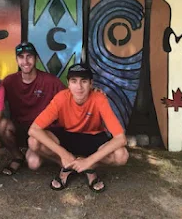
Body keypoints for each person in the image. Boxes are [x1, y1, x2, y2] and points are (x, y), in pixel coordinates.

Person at [27, 63, 129, 193]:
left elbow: (121, 139)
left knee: (122, 155)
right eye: (74, 81)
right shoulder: (61, 98)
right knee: (33, 141)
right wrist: (63, 154)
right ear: (68, 84)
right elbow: (33, 129)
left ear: (91, 84)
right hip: (68, 136)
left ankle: (89, 167)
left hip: (93, 138)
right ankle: (66, 165)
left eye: (84, 81)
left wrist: (89, 161)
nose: (79, 87)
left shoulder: (99, 98)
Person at [0, 42, 65, 176]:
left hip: (42, 131)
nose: (25, 61)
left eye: (29, 56)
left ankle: (63, 160)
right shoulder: (9, 81)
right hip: (21, 129)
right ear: (17, 60)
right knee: (2, 125)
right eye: (21, 57)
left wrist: (93, 94)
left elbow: (70, 98)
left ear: (36, 58)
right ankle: (17, 156)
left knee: (33, 163)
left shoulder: (50, 81)